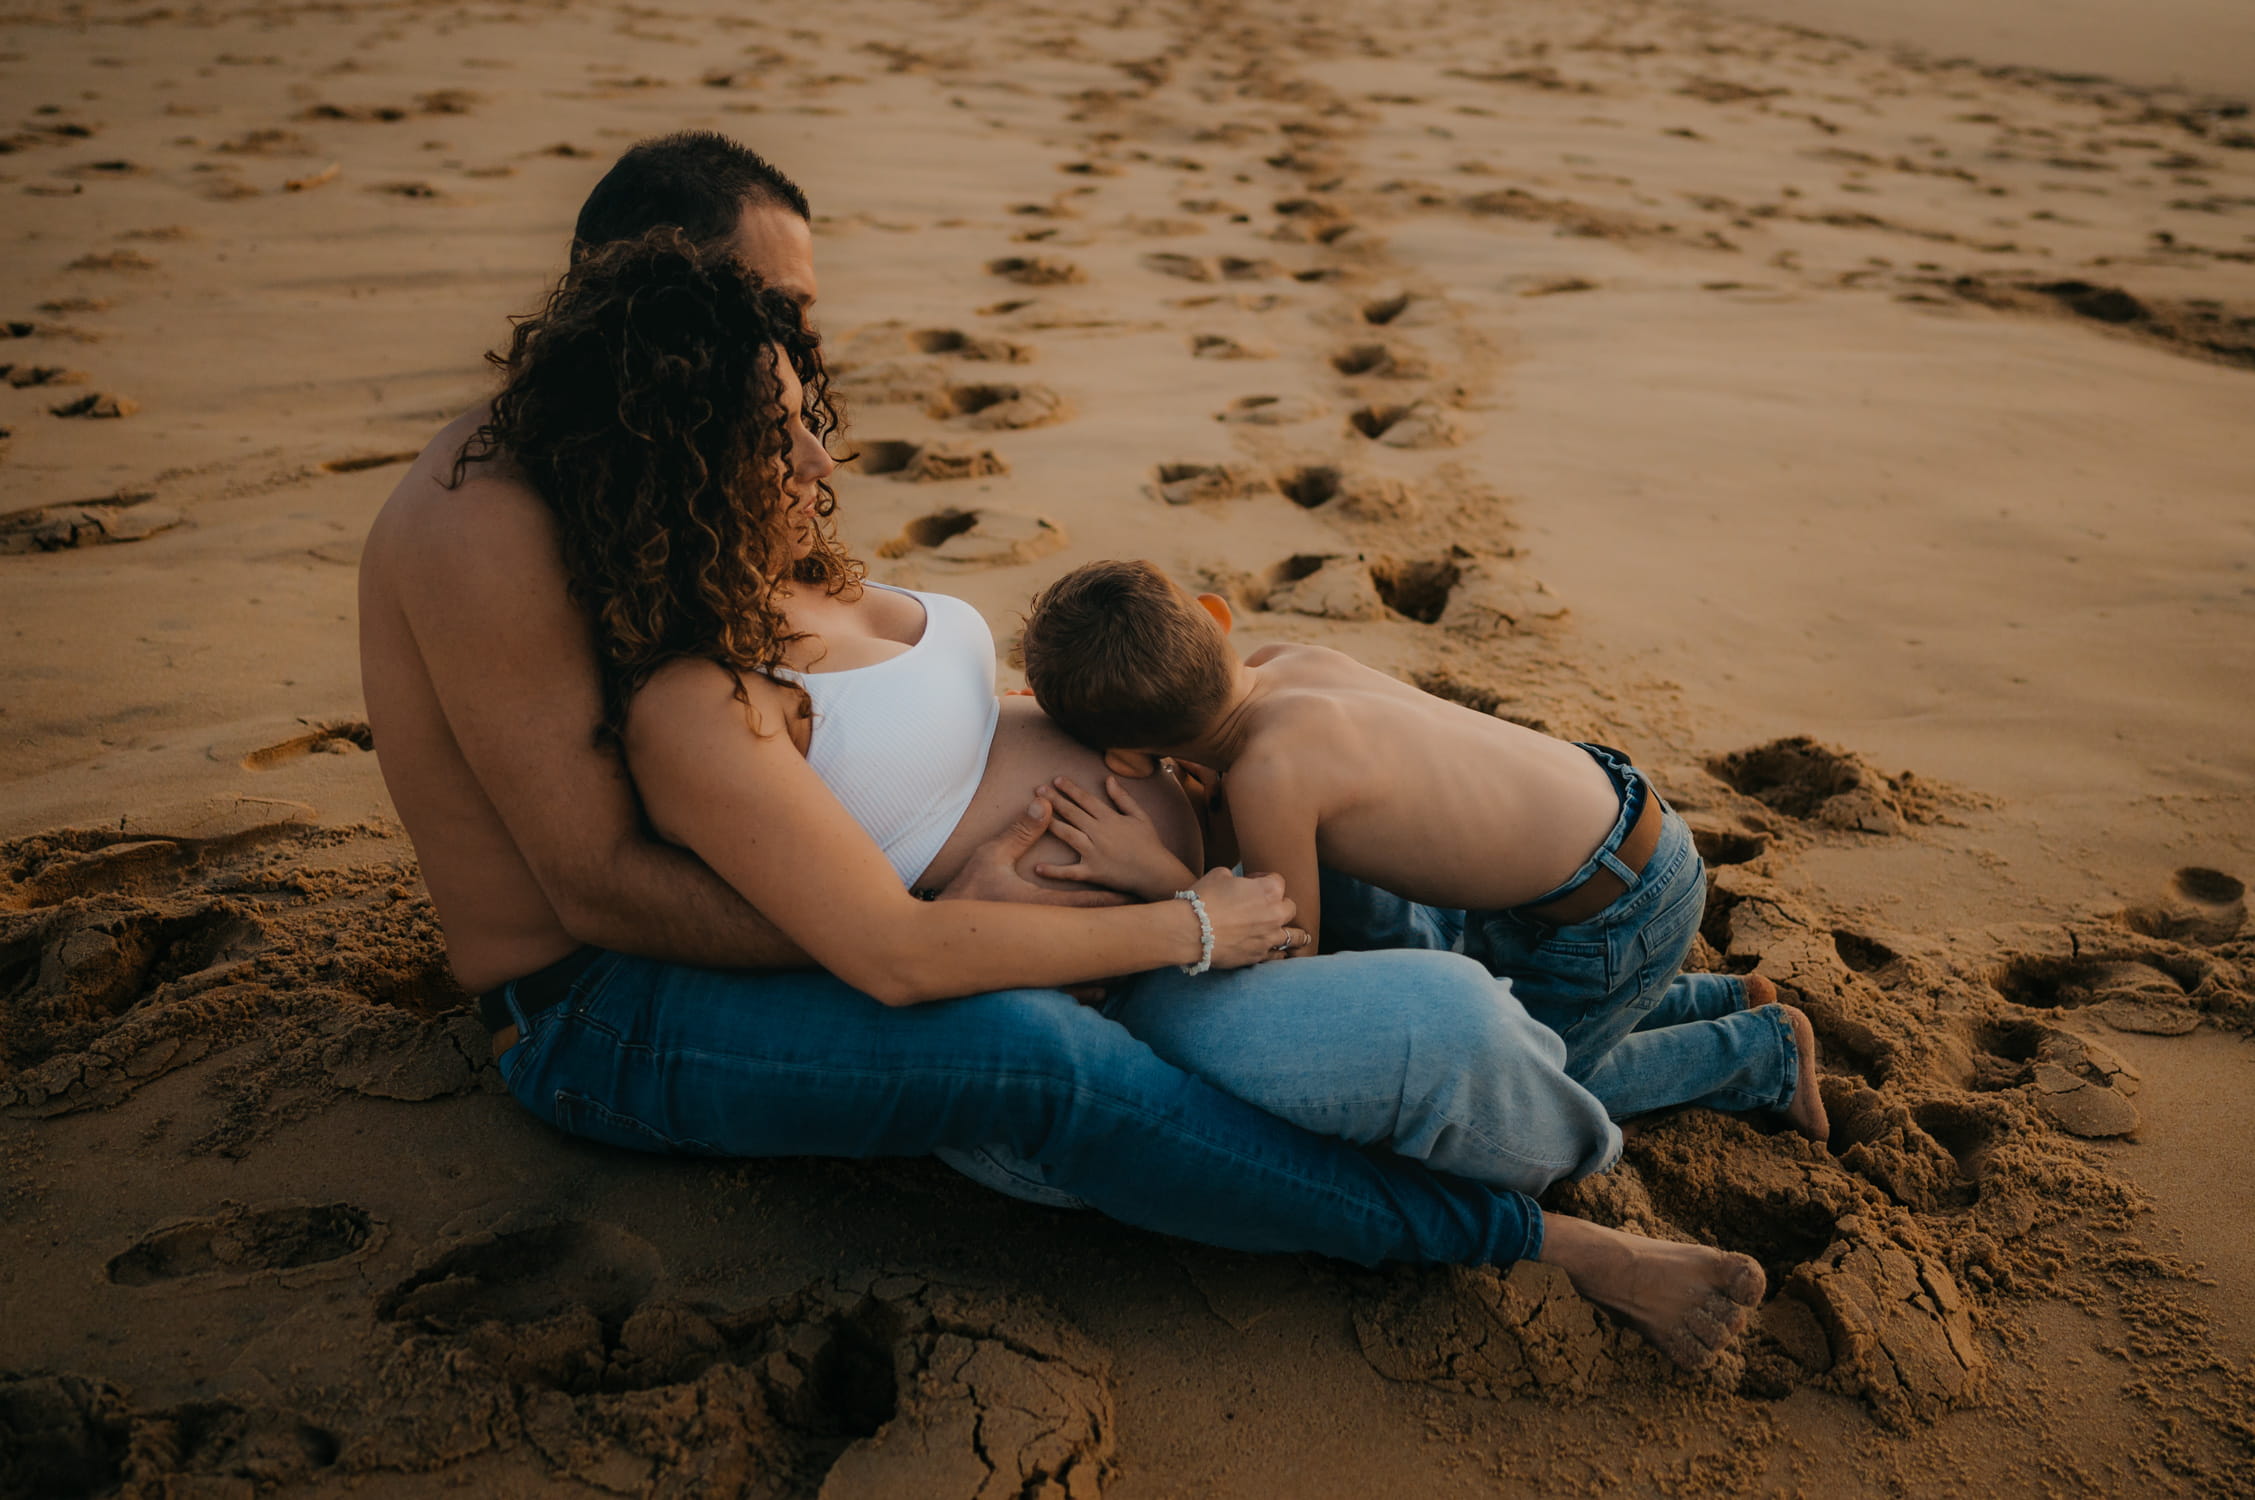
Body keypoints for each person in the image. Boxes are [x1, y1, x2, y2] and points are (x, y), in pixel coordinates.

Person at [354, 130, 1767, 1371]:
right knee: (1032, 1055)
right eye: (768, 312)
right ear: (649, 307)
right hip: (608, 999)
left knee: (1315, 785)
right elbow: (602, 883)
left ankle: (1676, 1030)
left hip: (1052, 896)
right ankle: (1516, 1237)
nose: (803, 362)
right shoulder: (496, 521)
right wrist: (1024, 926)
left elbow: (862, 704)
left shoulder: (715, 497)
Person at [1017, 558, 1829, 1142]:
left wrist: (1159, 877)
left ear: (1125, 758)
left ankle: (1756, 1053)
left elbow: (1282, 948)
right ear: (1216, 616)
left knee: (1536, 1083)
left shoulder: (1271, 775)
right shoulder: (1286, 663)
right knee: (1545, 992)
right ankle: (1718, 994)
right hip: (1611, 829)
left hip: (1611, 907)